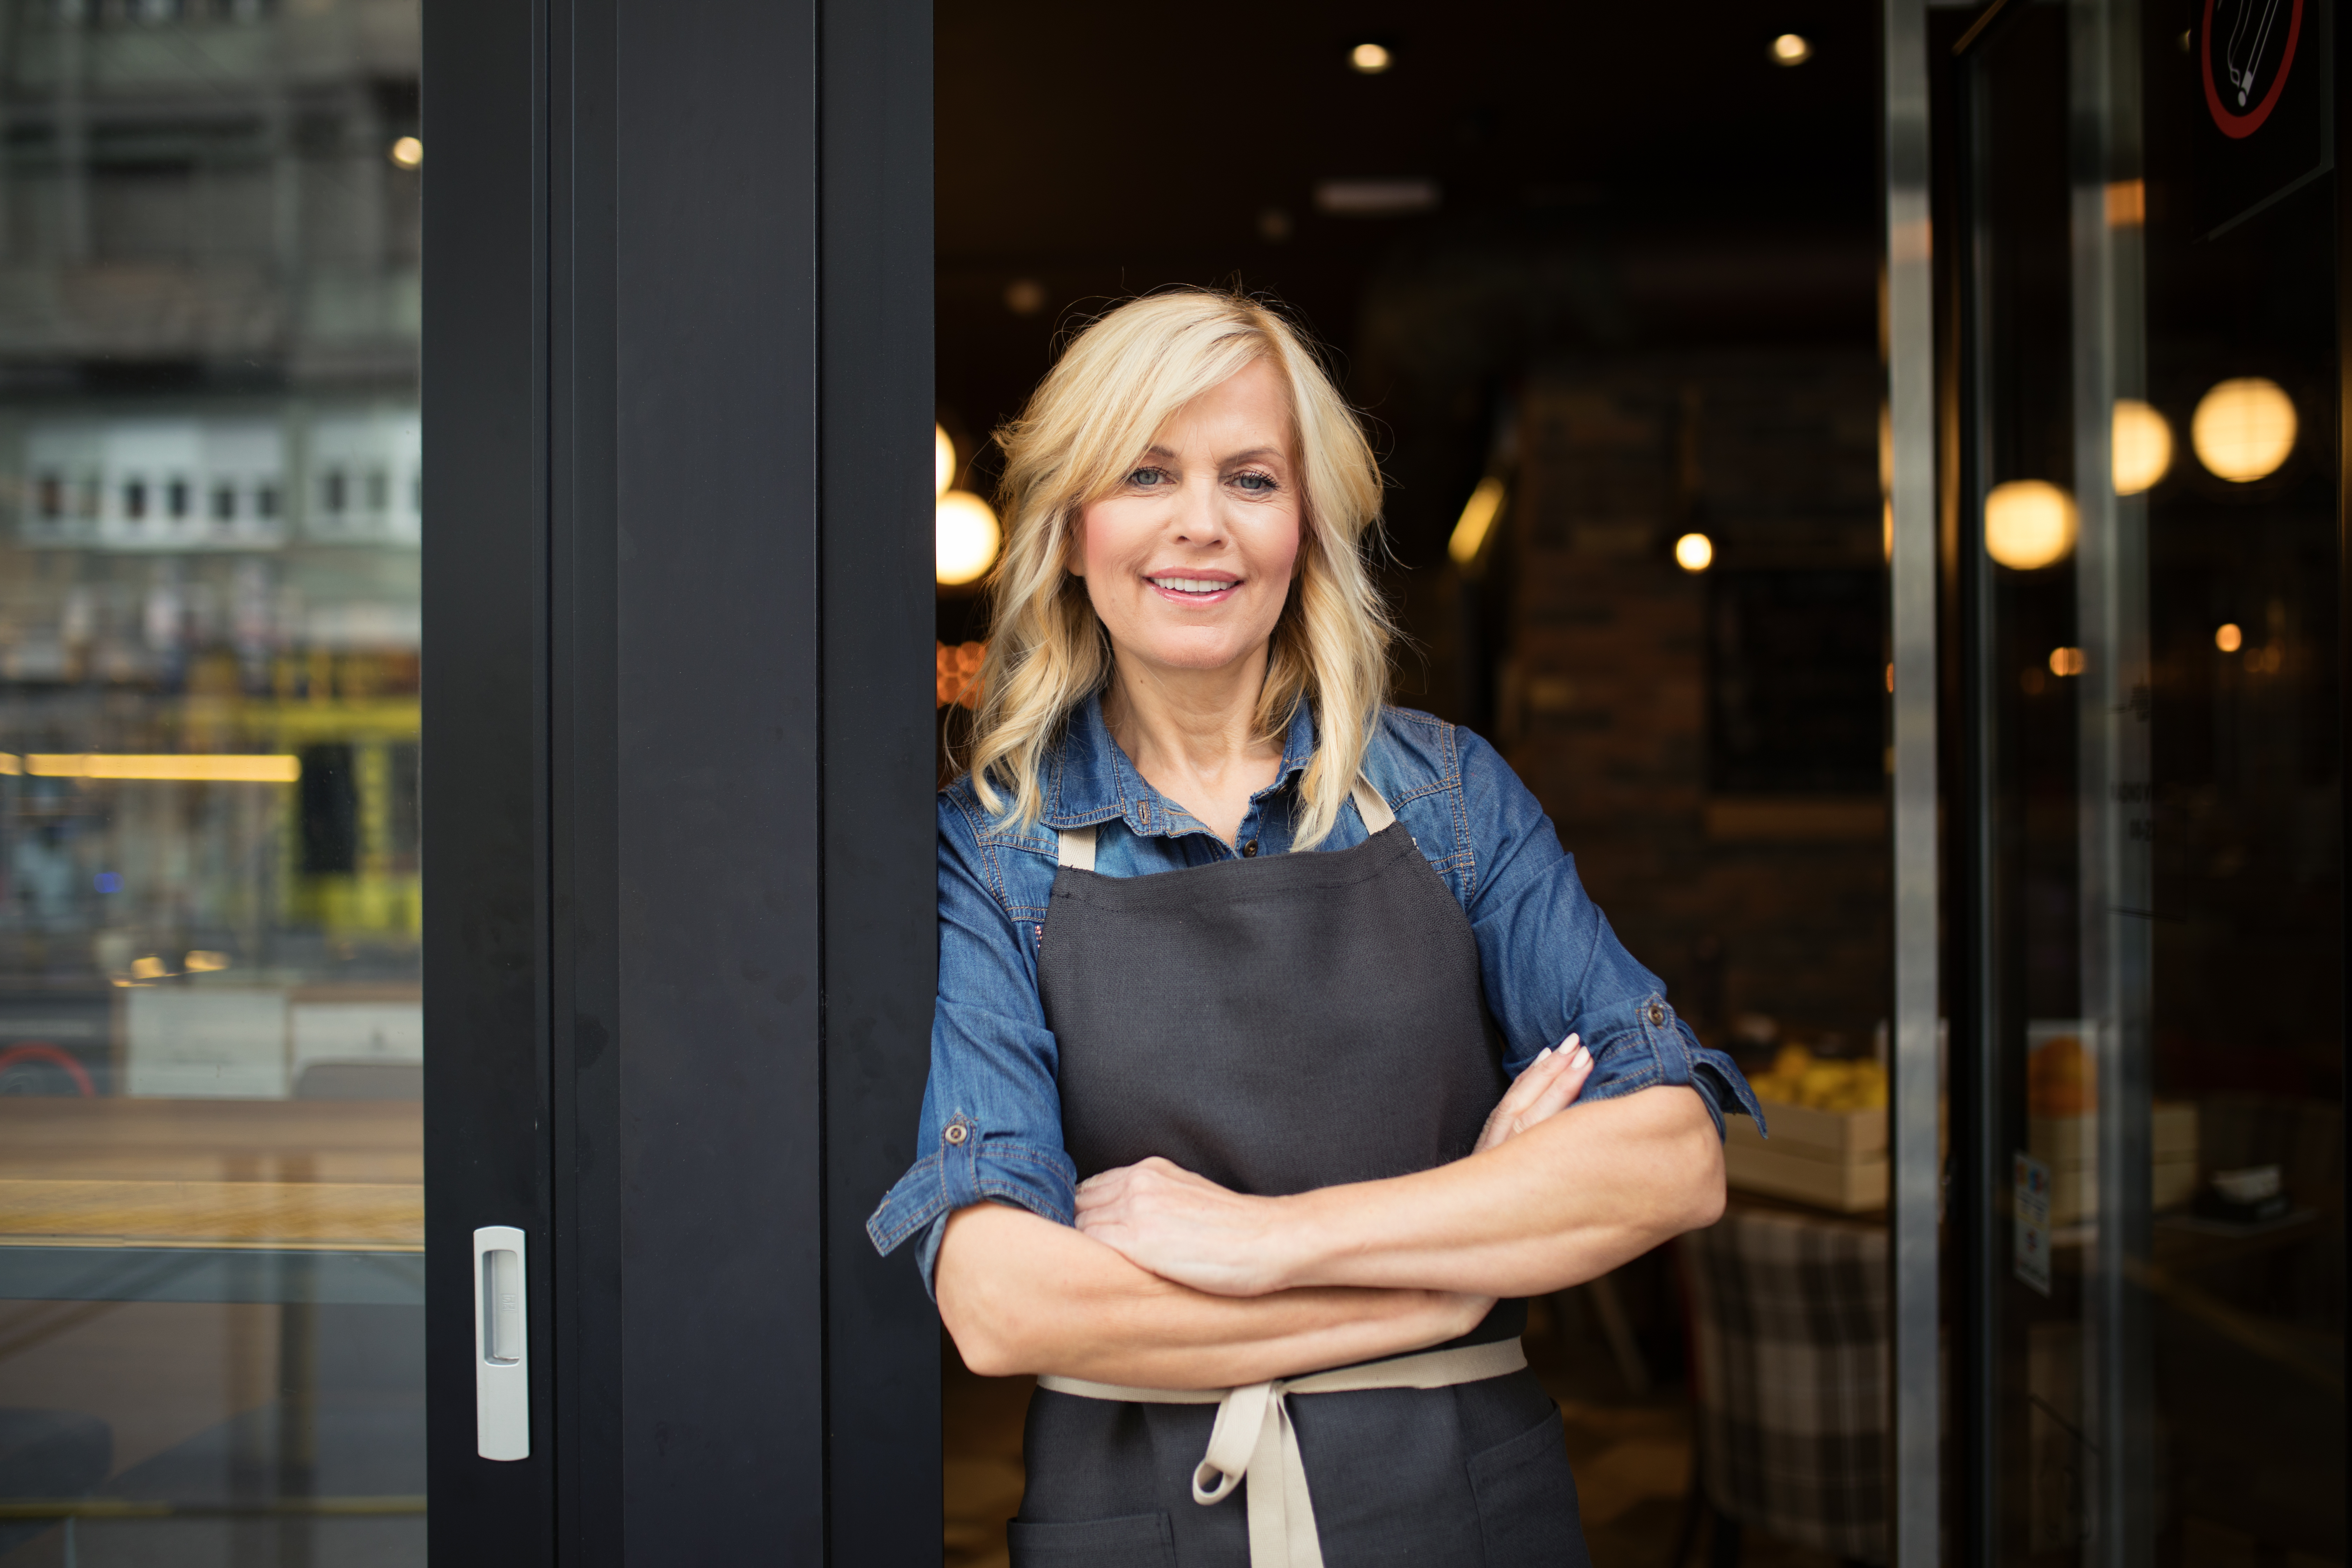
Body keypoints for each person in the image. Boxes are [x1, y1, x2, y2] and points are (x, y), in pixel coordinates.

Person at [869, 289, 1762, 1568]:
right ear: (1073, 531)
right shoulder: (993, 850)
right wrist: (1448, 1270)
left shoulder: (1446, 798)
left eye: (1250, 478)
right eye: (1145, 471)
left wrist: (1262, 1242)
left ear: (1306, 529)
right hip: (1145, 1523)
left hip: (1466, 1511)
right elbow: (1005, 1303)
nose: (1201, 524)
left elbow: (1673, 1159)